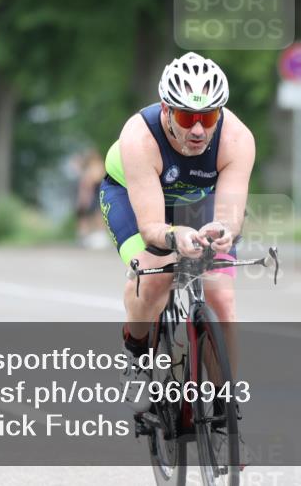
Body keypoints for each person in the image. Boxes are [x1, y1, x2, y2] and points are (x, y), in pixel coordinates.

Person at [98, 52, 254, 411]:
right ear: (167, 110)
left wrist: (223, 230)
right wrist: (174, 237)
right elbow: (152, 226)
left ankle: (222, 407)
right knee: (153, 278)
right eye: (186, 117)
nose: (198, 130)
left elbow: (231, 215)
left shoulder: (237, 140)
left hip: (198, 199)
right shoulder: (139, 137)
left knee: (223, 301)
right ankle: (137, 350)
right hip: (133, 195)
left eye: (208, 117)